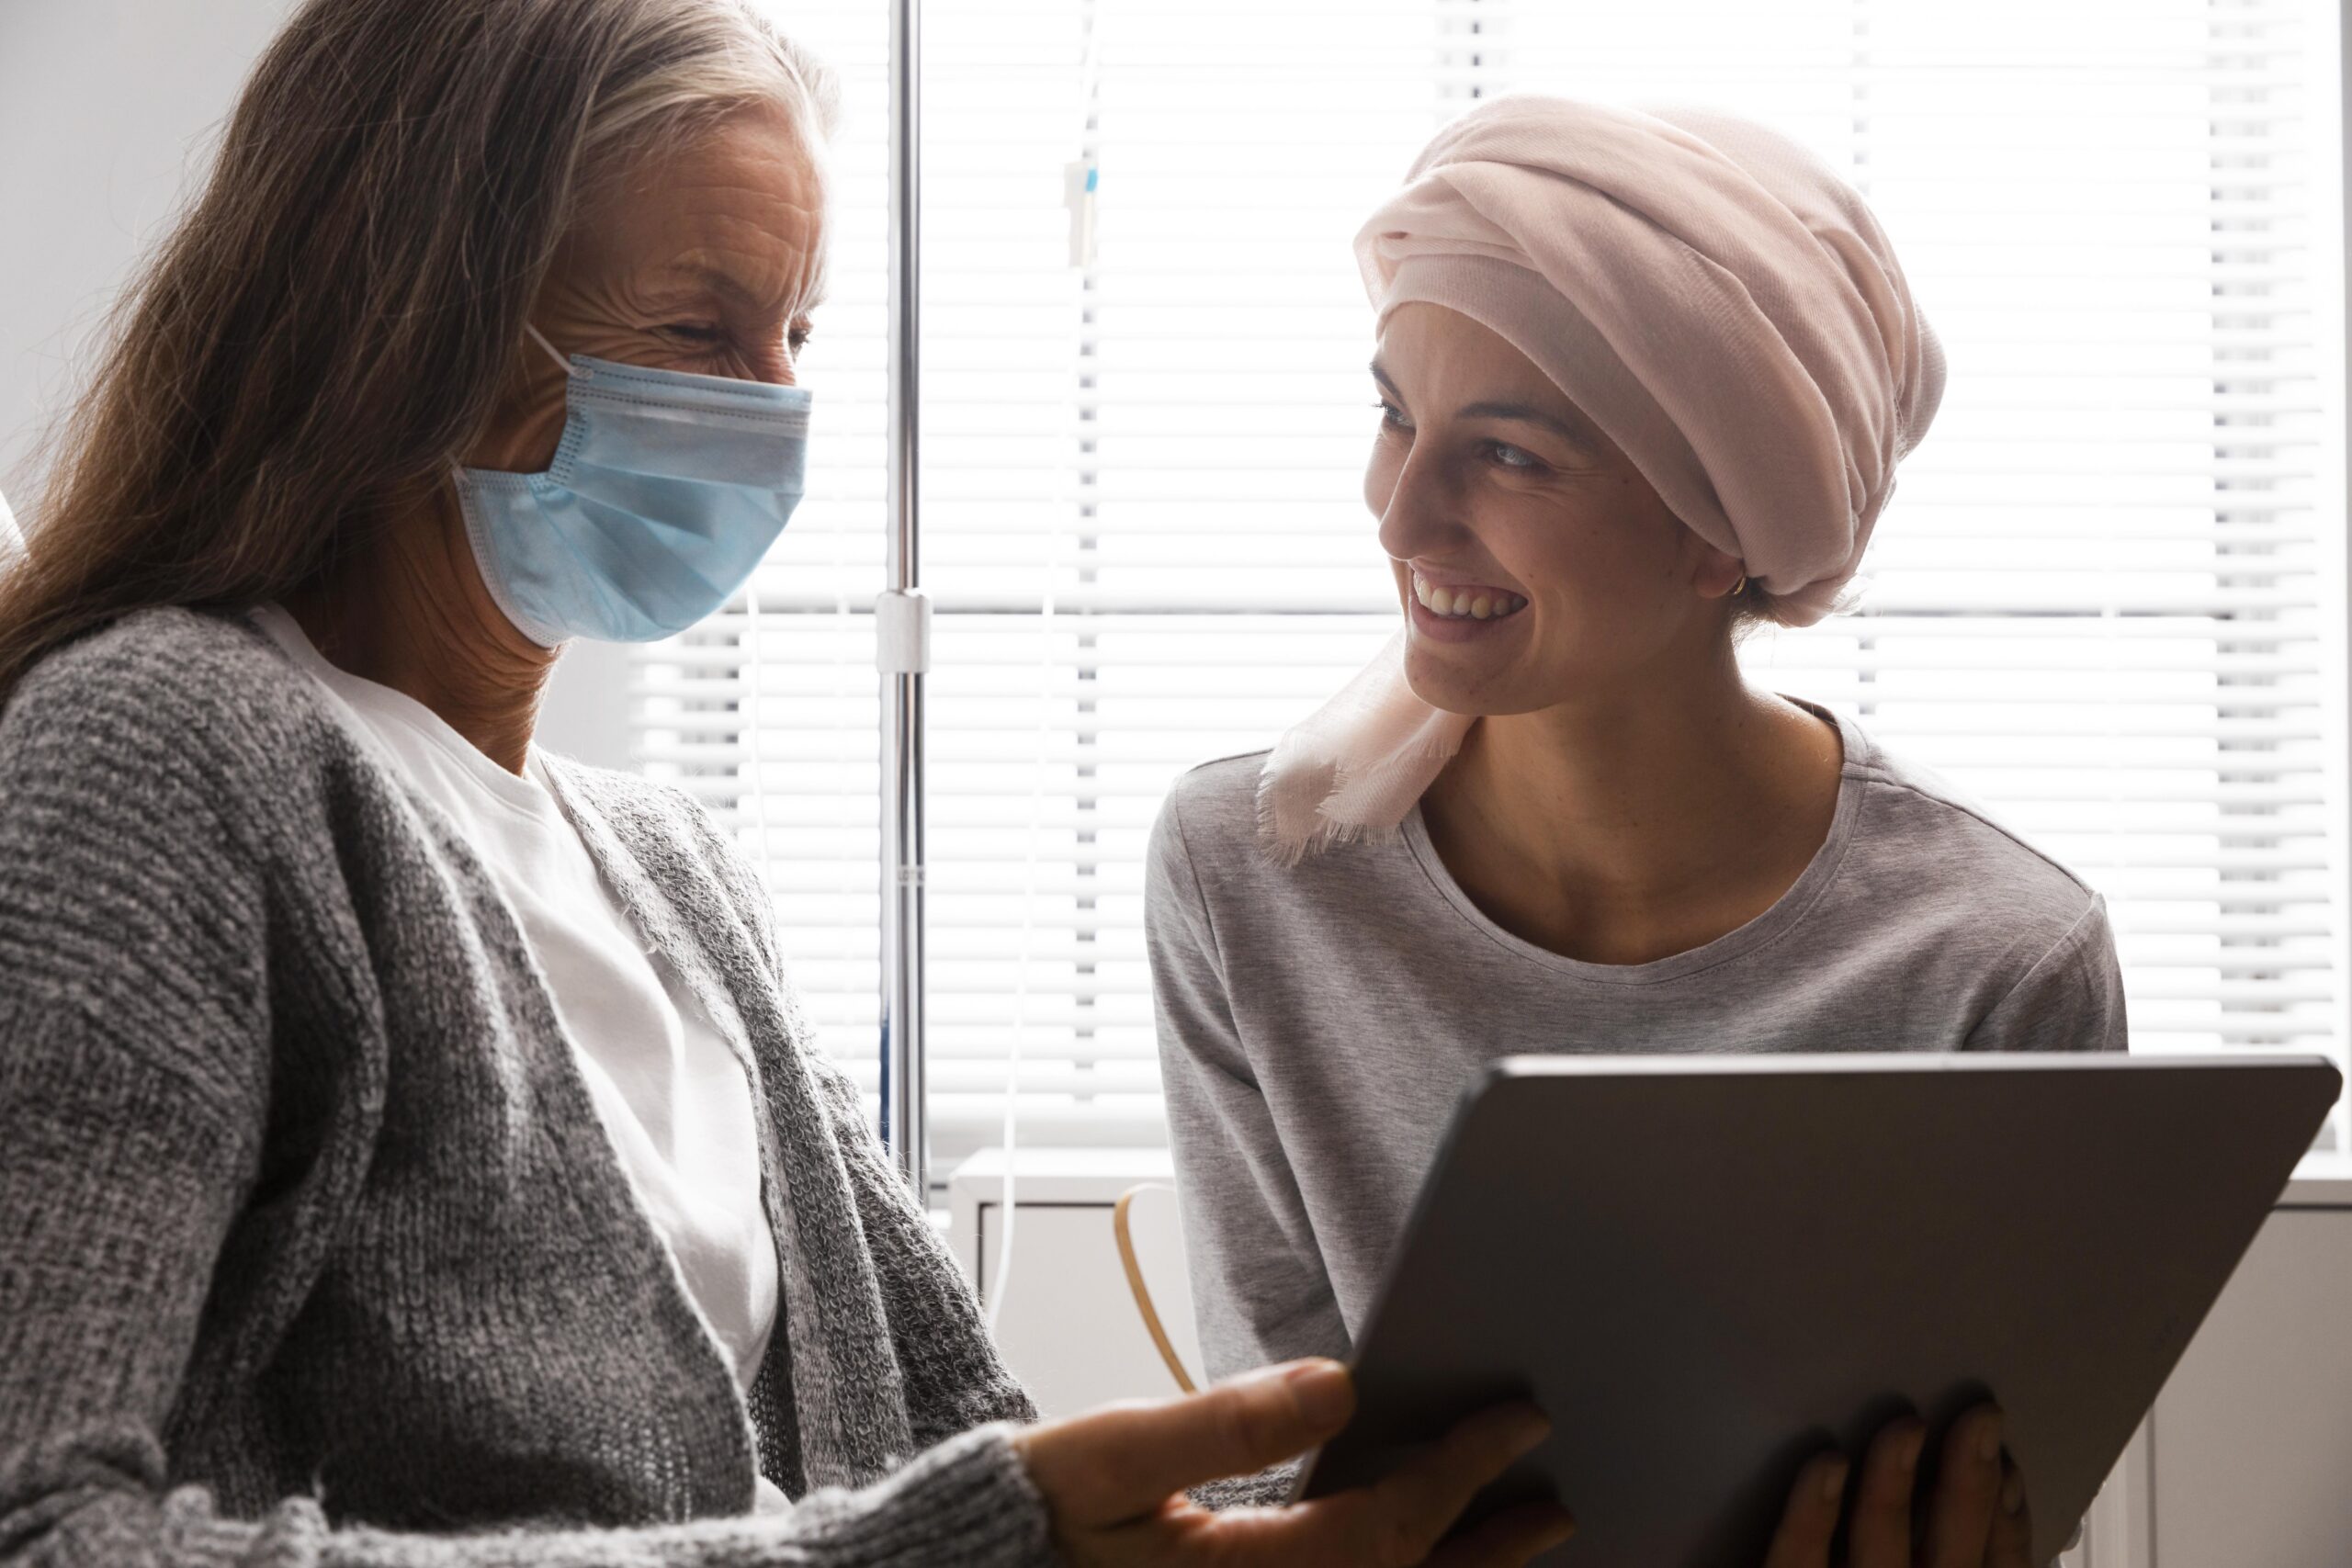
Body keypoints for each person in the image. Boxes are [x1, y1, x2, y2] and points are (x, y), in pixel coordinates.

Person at [0, 4, 1581, 1564]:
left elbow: (967, 1459)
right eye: (697, 333)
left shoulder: (671, 868)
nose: (771, 408)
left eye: (797, 335)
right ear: (404, 320)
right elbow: (48, 1528)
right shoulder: (161, 753)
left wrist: (1422, 1517)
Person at [1148, 96, 2123, 1562]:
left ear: (1720, 527)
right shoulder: (1252, 873)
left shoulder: (2001, 959)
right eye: (1395, 415)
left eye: (1513, 455)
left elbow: (1999, 1512)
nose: (1402, 516)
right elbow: (1270, 1470)